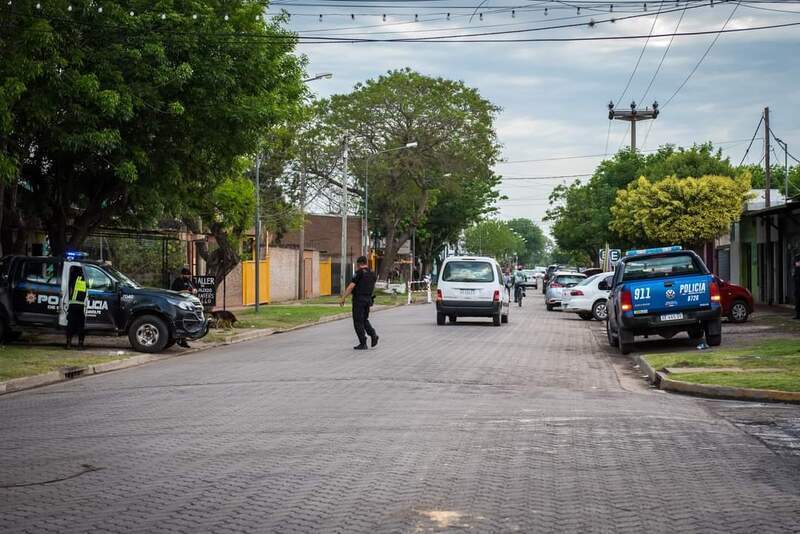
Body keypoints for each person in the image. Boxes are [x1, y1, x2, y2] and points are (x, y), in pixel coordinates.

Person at [340, 256, 379, 350]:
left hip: (359, 300)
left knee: (358, 321)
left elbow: (351, 286)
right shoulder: (373, 273)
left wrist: (343, 297)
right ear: (366, 262)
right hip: (368, 299)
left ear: (359, 264)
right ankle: (373, 335)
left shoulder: (359, 273)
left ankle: (363, 343)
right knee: (364, 320)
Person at [171, 268, 196, 348]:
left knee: (189, 322)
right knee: (182, 321)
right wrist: (183, 291)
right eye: (186, 275)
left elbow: (193, 288)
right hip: (180, 304)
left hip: (189, 303)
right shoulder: (177, 281)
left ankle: (185, 338)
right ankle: (181, 340)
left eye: (189, 275)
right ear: (182, 274)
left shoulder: (189, 282)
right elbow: (173, 292)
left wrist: (194, 290)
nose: (188, 276)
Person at [66, 267, 87, 350]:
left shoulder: (73, 277)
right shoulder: (86, 278)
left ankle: (68, 344)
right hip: (82, 305)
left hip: (72, 304)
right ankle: (80, 345)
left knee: (70, 325)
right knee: (81, 326)